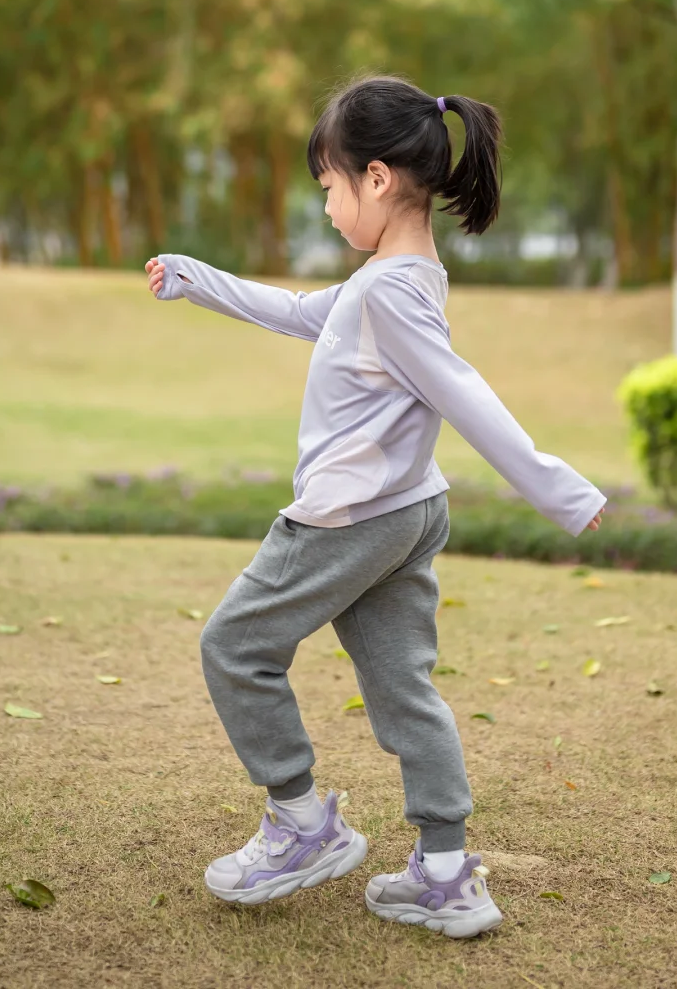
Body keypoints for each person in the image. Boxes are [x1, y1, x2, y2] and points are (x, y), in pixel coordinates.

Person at [145, 75, 606, 939]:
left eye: (329, 188)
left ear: (379, 179)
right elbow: (293, 311)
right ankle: (444, 871)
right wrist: (192, 278)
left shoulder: (387, 294)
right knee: (403, 688)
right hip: (405, 513)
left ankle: (303, 824)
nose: (325, 208)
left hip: (349, 521)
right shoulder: (401, 281)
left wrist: (562, 491)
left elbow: (466, 398)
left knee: (235, 646)